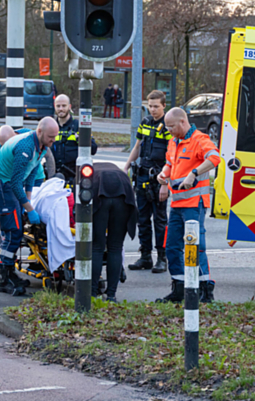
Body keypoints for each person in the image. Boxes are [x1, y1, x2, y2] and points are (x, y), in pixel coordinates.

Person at [156, 108, 220, 303]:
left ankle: (205, 289)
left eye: (172, 127)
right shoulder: (173, 142)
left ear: (183, 122)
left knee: (195, 246)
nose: (169, 131)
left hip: (194, 203)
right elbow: (170, 162)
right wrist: (163, 175)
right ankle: (179, 287)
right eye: (167, 127)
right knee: (172, 247)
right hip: (177, 202)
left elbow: (215, 158)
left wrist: (194, 173)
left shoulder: (199, 139)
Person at [0, 117, 59, 295]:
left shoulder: (42, 147)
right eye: (51, 137)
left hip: (10, 186)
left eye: (55, 137)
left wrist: (29, 200)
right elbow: (15, 183)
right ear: (40, 132)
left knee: (16, 230)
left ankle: (8, 272)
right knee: (14, 232)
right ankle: (3, 278)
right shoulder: (26, 147)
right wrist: (29, 209)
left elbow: (30, 174)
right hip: (3, 186)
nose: (53, 140)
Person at [123, 90, 171, 273]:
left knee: (160, 220)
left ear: (164, 106)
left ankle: (162, 257)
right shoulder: (144, 123)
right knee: (142, 219)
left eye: (156, 106)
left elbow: (172, 157)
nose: (152, 110)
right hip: (142, 176)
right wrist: (126, 166)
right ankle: (145, 257)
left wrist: (165, 183)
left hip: (159, 178)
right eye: (150, 106)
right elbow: (137, 146)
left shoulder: (168, 126)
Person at [91, 162, 138, 303]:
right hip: (123, 196)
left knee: (97, 247)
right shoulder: (118, 172)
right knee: (115, 247)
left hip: (99, 195)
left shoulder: (87, 172)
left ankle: (93, 293)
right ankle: (111, 295)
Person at [52, 94, 97, 182]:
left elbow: (93, 149)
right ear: (54, 107)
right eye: (58, 106)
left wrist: (81, 140)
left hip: (75, 176)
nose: (61, 109)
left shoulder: (79, 126)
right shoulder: (51, 126)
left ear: (69, 107)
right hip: (54, 175)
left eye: (64, 106)